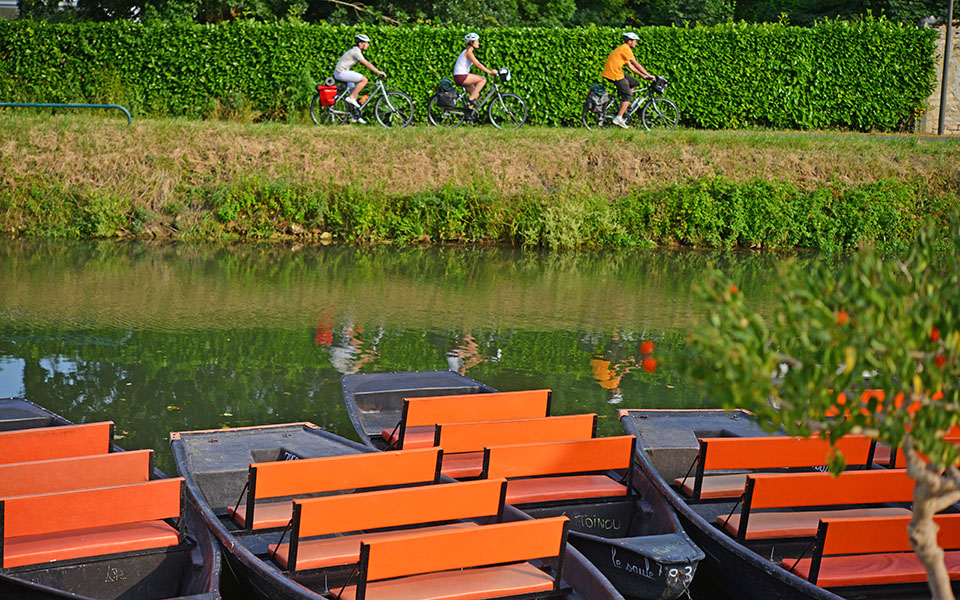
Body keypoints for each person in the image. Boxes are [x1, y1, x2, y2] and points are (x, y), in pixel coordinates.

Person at [601, 32, 655, 129]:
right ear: (629, 41)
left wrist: (643, 76)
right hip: (614, 73)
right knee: (628, 95)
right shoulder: (625, 48)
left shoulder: (623, 49)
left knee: (634, 82)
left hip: (616, 72)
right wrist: (648, 75)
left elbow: (630, 66)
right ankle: (619, 117)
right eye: (635, 41)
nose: (636, 43)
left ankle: (626, 103)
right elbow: (636, 64)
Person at [333, 34, 386, 123]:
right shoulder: (356, 52)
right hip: (341, 73)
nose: (368, 45)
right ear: (361, 43)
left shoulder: (356, 51)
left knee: (355, 91)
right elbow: (367, 64)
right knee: (364, 80)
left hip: (343, 72)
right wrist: (378, 72)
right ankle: (350, 98)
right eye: (367, 43)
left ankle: (354, 117)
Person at [453, 32, 498, 110]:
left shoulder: (467, 52)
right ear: (471, 42)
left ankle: (468, 114)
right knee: (483, 79)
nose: (478, 43)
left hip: (460, 76)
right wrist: (490, 72)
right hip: (461, 76)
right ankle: (470, 100)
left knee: (475, 94)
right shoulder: (468, 52)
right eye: (477, 41)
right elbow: (478, 64)